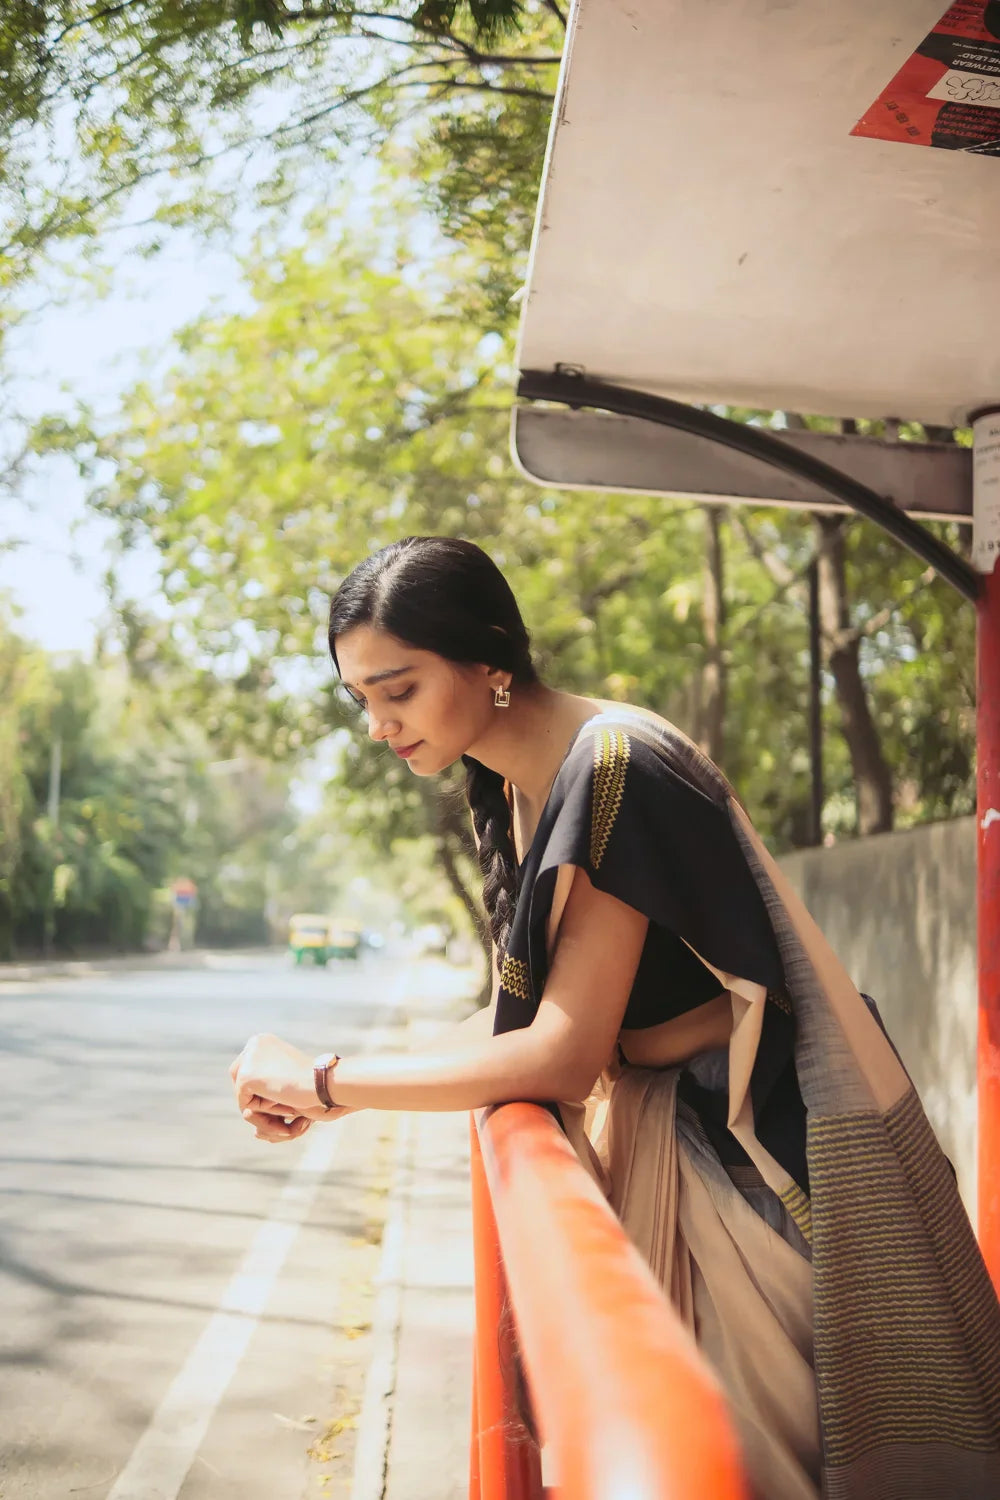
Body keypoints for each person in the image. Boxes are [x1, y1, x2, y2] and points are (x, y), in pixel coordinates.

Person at [231, 535, 1000, 1500]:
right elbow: (520, 1017)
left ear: (490, 661)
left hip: (759, 1154)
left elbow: (558, 1054)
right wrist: (343, 1084)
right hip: (696, 1140)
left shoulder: (615, 766)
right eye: (363, 702)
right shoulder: (522, 781)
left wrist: (332, 1082)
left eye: (400, 689)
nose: (380, 725)